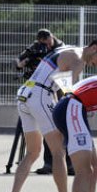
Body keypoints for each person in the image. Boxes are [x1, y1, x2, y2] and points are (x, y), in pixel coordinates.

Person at [2, 36, 97, 192]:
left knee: (33, 152)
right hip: (39, 95)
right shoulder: (79, 60)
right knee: (59, 151)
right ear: (94, 48)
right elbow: (71, 94)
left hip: (25, 93)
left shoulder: (70, 50)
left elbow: (60, 87)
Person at [14, 29, 74, 176]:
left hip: (58, 89)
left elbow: (65, 75)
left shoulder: (61, 48)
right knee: (48, 129)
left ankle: (70, 164)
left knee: (62, 129)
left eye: (46, 42)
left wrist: (66, 96)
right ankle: (49, 164)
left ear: (51, 37)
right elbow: (17, 62)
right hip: (40, 92)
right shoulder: (36, 47)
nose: (45, 46)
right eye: (42, 43)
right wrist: (25, 61)